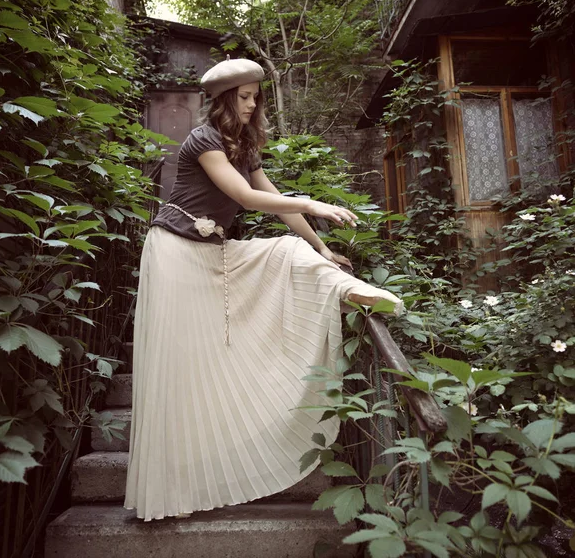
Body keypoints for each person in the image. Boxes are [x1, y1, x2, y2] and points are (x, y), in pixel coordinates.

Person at [124, 57, 403, 522]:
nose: (253, 105)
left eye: (256, 96)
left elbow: (277, 205)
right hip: (175, 252)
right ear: (224, 100)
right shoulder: (204, 139)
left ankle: (344, 287)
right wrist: (314, 200)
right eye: (245, 97)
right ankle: (172, 487)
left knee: (291, 251)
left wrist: (321, 247)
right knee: (185, 365)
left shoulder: (244, 146)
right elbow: (248, 198)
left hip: (212, 250)